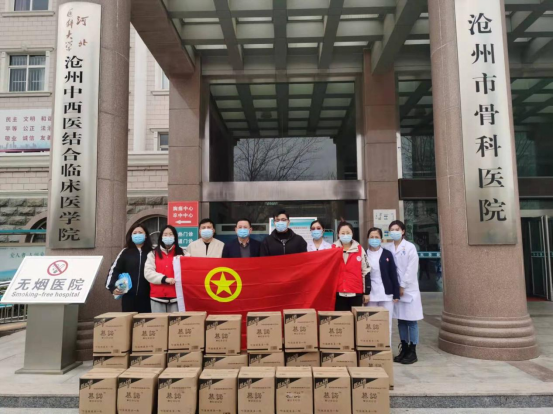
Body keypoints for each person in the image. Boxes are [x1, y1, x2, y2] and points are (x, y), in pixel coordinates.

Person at [384, 220, 423, 365]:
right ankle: (404, 348)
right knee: (401, 320)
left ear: (403, 231)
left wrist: (402, 286)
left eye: (397, 229)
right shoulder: (387, 247)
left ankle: (413, 350)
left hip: (408, 289)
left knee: (411, 321)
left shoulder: (410, 247)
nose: (394, 232)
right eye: (392, 229)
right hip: (396, 289)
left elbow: (412, 269)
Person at [106, 224, 153, 313]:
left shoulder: (152, 252)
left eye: (140, 232)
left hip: (148, 298)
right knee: (129, 321)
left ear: (146, 235)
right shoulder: (125, 252)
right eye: (134, 233)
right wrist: (112, 288)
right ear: (131, 236)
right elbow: (114, 270)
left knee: (146, 321)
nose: (137, 235)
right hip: (128, 298)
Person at [366, 227, 400, 346]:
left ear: (381, 239)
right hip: (370, 294)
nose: (374, 239)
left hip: (386, 293)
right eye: (372, 237)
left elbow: (393, 274)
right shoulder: (364, 254)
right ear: (367, 238)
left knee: (386, 323)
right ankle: (372, 347)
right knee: (371, 323)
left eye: (376, 237)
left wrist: (396, 293)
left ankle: (386, 348)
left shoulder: (387, 254)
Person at [144, 225, 184, 313]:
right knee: (158, 322)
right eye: (165, 234)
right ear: (161, 237)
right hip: (157, 297)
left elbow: (188, 271)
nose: (168, 236)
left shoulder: (183, 253)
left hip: (177, 298)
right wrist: (164, 279)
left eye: (171, 234)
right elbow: (148, 272)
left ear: (175, 237)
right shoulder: (153, 253)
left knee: (176, 322)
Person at [333, 222, 370, 311]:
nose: (345, 235)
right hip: (338, 293)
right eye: (342, 233)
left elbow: (366, 271)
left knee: (356, 319)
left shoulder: (360, 249)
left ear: (352, 234)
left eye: (348, 233)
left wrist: (366, 292)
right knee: (341, 319)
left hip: (355, 293)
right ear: (338, 234)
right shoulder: (333, 248)